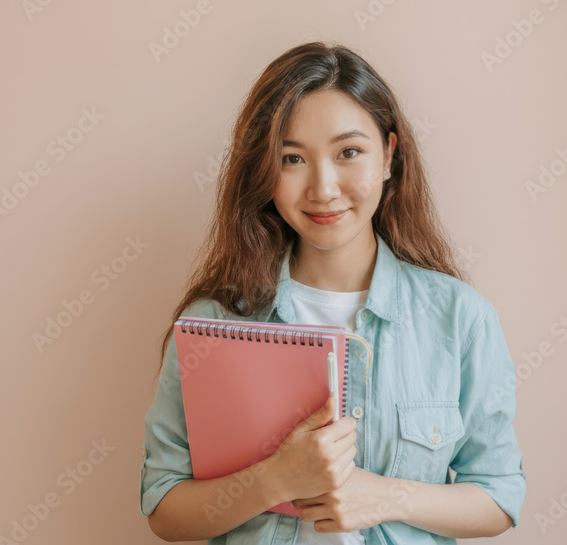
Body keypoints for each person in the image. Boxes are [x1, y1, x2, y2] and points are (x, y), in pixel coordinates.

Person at [140, 41, 526, 544]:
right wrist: (275, 479)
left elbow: (498, 496)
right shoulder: (213, 322)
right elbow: (165, 509)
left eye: (349, 152)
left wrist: (384, 496)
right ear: (264, 171)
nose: (322, 188)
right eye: (292, 158)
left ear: (388, 155)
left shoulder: (459, 317)